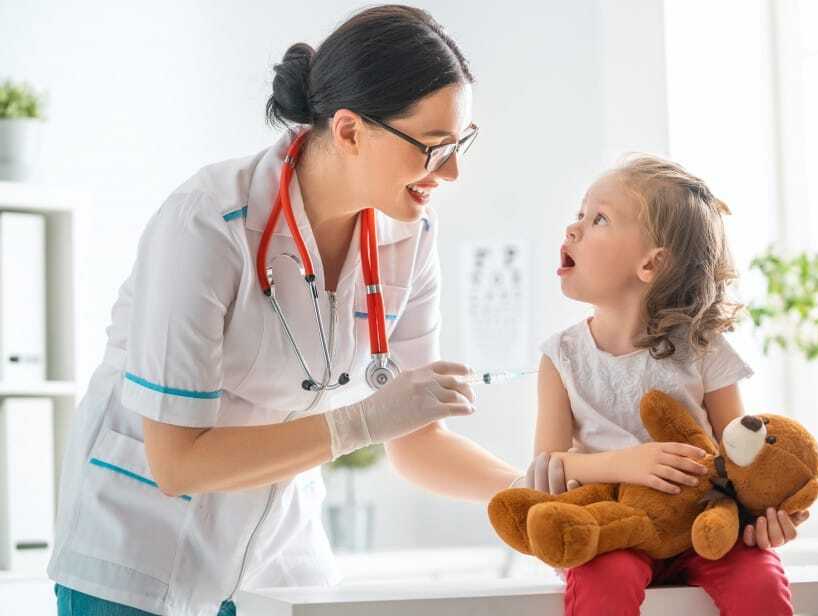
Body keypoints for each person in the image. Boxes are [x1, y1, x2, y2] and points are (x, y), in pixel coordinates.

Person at [47, 6, 520, 615]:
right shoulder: (207, 223)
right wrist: (362, 422)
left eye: (460, 144)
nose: (452, 172)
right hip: (140, 558)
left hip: (277, 564)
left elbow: (417, 441)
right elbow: (176, 462)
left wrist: (533, 492)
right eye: (433, 147)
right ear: (349, 131)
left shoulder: (409, 236)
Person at [528, 155, 809, 616]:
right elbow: (548, 470)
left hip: (703, 524)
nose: (572, 229)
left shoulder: (703, 349)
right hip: (612, 523)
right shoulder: (561, 357)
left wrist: (769, 515)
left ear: (651, 264)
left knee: (759, 581)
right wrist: (627, 464)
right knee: (605, 580)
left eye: (598, 218)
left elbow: (739, 455)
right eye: (579, 214)